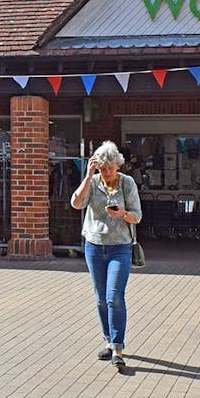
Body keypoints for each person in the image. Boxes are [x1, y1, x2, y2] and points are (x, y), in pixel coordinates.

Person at [69, 140, 142, 370]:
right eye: (103, 168)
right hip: (94, 246)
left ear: (118, 165)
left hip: (120, 247)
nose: (107, 172)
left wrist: (122, 214)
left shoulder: (127, 183)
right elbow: (76, 204)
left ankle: (118, 349)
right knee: (101, 298)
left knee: (115, 297)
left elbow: (137, 216)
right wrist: (88, 175)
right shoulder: (93, 182)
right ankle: (109, 341)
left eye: (110, 168)